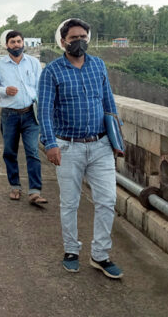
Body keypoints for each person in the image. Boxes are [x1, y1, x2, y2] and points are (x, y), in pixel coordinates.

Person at [37, 18, 123, 279]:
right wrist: (51, 144)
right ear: (63, 41)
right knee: (70, 203)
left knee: (107, 200)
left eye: (83, 37)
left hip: (100, 145)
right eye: (73, 38)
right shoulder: (52, 71)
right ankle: (71, 251)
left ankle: (100, 255)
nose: (79, 42)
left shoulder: (98, 65)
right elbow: (44, 111)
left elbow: (109, 104)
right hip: (68, 146)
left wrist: (117, 139)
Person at [0, 30, 47, 205]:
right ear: (7, 45)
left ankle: (35, 191)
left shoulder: (34, 63)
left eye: (19, 41)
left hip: (30, 113)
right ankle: (15, 185)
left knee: (33, 151)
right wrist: (4, 90)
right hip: (10, 115)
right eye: (12, 42)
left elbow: (40, 87)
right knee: (10, 152)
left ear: (23, 43)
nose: (16, 45)